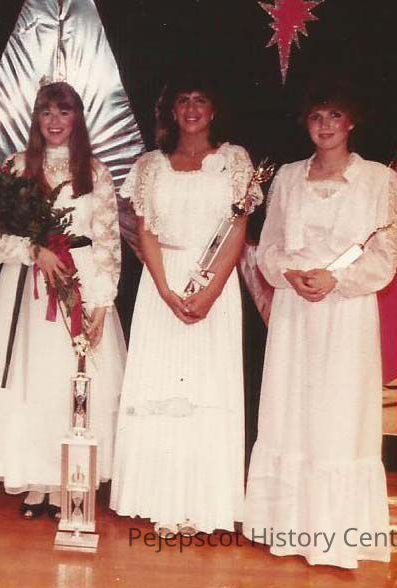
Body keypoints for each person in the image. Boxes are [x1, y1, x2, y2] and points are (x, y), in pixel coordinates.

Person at [243, 83, 397, 568]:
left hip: (345, 314)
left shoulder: (379, 179)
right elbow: (269, 248)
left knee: (339, 417)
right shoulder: (288, 177)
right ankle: (286, 527)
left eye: (335, 115)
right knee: (291, 412)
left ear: (351, 121)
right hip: (295, 314)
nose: (325, 125)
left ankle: (337, 535)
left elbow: (385, 256)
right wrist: (289, 273)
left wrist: (337, 279)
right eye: (316, 116)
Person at [0, 82, 126, 519]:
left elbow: (109, 241)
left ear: (77, 118)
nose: (55, 122)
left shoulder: (95, 171)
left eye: (64, 112)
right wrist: (33, 250)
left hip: (80, 280)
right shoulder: (18, 166)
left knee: (70, 380)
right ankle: (35, 480)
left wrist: (101, 302)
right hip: (29, 288)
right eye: (46, 113)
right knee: (30, 382)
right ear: (36, 119)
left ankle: (65, 483)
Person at [112, 76, 259, 537]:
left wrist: (210, 291)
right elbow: (146, 231)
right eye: (183, 101)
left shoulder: (234, 161)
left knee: (206, 388)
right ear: (171, 111)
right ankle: (157, 499)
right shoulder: (150, 166)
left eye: (201, 100)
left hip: (215, 286)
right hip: (163, 285)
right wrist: (163, 288)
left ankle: (203, 504)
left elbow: (238, 228)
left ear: (213, 110)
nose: (192, 108)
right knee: (161, 386)